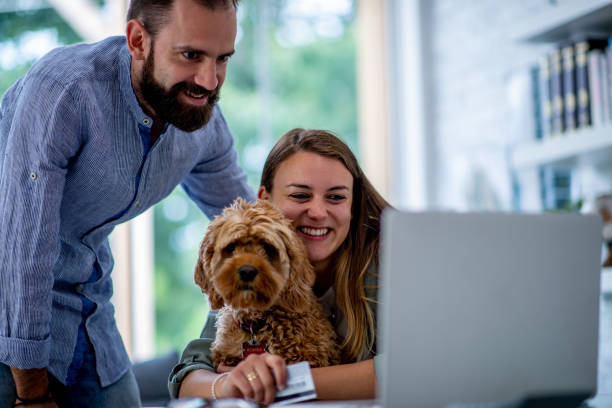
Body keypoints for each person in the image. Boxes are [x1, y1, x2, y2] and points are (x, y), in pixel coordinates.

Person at [0, 0, 254, 406]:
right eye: (191, 55)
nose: (209, 79)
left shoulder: (201, 121)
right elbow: (22, 253)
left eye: (222, 58)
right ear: (138, 40)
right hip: (10, 314)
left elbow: (250, 223)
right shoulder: (66, 90)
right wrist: (31, 395)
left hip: (90, 308)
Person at [169, 128, 390, 405]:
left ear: (353, 206)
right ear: (265, 200)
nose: (318, 213)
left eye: (335, 197)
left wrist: (283, 383)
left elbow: (415, 368)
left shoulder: (384, 266)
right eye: (300, 196)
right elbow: (189, 374)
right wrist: (227, 384)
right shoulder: (247, 278)